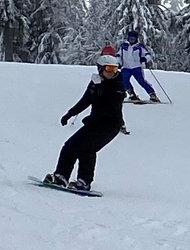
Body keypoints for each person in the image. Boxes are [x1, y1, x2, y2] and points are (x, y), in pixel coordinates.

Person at [45, 53, 130, 191]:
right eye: (108, 69)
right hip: (95, 123)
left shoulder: (118, 87)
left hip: (110, 125)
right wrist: (70, 114)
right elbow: (86, 100)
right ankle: (61, 176)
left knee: (87, 149)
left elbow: (110, 108)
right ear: (100, 69)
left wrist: (99, 89)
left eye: (114, 69)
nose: (111, 73)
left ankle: (84, 181)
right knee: (70, 146)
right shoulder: (95, 83)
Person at [118, 30, 158, 103]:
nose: (131, 40)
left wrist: (145, 59)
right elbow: (119, 55)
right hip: (126, 67)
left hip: (136, 68)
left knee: (141, 81)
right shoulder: (124, 46)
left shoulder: (139, 47)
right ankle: (132, 94)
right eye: (130, 38)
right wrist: (119, 63)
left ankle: (152, 94)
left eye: (133, 39)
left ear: (136, 39)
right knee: (124, 81)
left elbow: (148, 55)